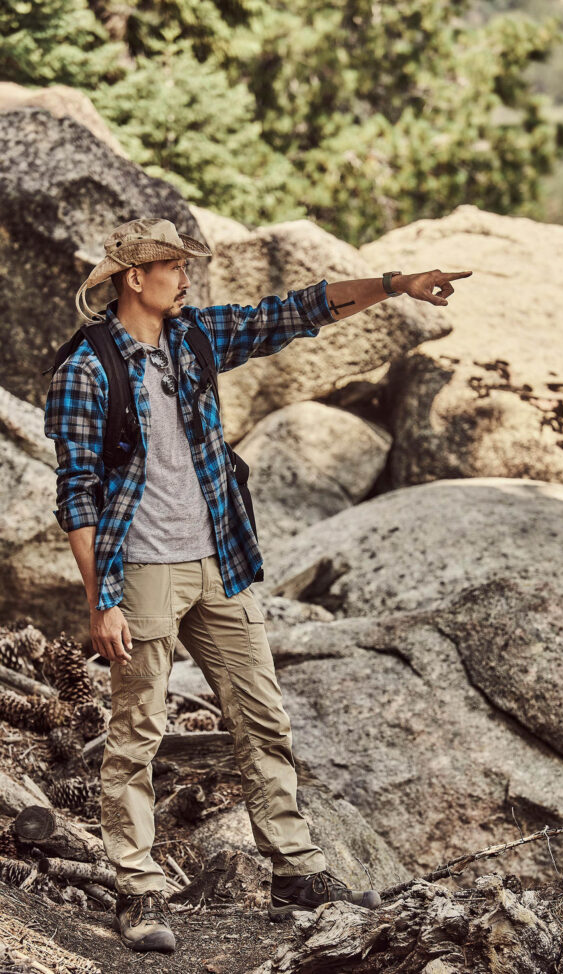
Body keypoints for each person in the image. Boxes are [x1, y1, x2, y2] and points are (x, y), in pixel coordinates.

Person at [44, 217, 471, 954]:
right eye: (174, 267)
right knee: (138, 733)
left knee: (263, 718)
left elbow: (294, 312)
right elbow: (77, 494)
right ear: (135, 278)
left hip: (221, 562)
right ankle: (138, 888)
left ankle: (296, 873)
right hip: (142, 571)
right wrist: (101, 600)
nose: (187, 278)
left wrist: (397, 284)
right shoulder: (86, 368)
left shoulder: (193, 336)